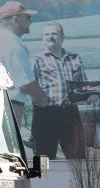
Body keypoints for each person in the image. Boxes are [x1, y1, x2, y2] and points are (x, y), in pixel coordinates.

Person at [33, 22, 90, 159]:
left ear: (62, 37)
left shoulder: (75, 58)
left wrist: (92, 94)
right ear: (42, 38)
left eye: (54, 34)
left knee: (78, 159)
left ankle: (80, 182)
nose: (50, 37)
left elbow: (85, 85)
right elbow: (28, 87)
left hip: (71, 114)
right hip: (46, 115)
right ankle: (43, 182)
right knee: (43, 162)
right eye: (46, 34)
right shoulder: (36, 60)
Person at [0, 1, 47, 142]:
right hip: (9, 106)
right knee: (9, 148)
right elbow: (26, 83)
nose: (30, 21)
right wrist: (43, 97)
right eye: (27, 17)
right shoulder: (13, 44)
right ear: (16, 19)